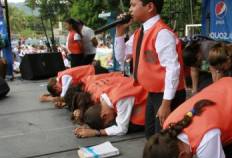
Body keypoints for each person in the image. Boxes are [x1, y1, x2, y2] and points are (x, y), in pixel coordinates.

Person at [115, 0, 186, 139]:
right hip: (153, 93)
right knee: (151, 135)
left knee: (164, 139)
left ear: (150, 7)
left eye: (134, 5)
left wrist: (166, 104)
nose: (130, 10)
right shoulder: (139, 33)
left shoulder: (162, 33)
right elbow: (121, 56)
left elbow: (173, 68)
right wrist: (119, 32)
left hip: (167, 95)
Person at [75, 76, 147, 138]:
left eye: (109, 122)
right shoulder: (101, 96)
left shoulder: (120, 100)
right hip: (140, 82)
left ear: (104, 116)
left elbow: (122, 129)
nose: (112, 121)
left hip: (153, 96)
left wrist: (97, 132)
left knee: (131, 126)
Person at [40, 64, 109, 105]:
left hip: (96, 72)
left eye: (59, 91)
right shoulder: (62, 76)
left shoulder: (64, 77)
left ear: (55, 87)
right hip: (95, 72)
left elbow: (64, 97)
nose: (61, 91)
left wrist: (48, 99)